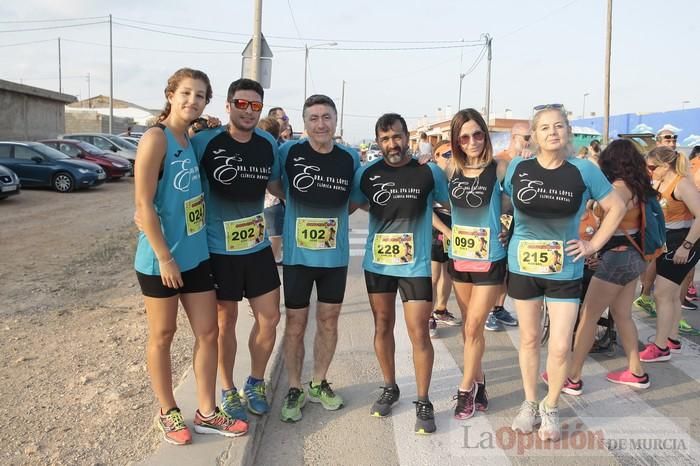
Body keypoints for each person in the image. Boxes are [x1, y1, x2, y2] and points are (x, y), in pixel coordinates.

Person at [134, 68, 246, 445]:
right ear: (170, 95)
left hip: (197, 256)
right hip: (160, 260)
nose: (191, 101)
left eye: (199, 96)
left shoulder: (191, 138)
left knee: (208, 332)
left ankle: (207, 411)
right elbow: (142, 205)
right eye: (185, 93)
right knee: (163, 335)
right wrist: (164, 257)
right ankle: (167, 411)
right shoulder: (156, 139)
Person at [504, 104, 625, 442]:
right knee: (529, 339)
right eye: (545, 128)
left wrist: (593, 245)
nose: (553, 132)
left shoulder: (584, 170)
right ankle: (530, 402)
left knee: (559, 346)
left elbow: (617, 206)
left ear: (567, 132)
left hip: (565, 268)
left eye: (559, 126)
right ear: (535, 135)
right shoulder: (518, 167)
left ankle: (551, 406)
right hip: (523, 266)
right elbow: (500, 203)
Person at [193, 78, 284, 422]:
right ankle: (228, 389)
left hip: (257, 246)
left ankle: (255, 382)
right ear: (228, 105)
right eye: (241, 104)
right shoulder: (204, 141)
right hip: (217, 249)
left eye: (255, 105)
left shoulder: (267, 143)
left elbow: (276, 184)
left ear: (261, 108)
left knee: (270, 317)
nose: (248, 111)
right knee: (223, 321)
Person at [352, 113, 449, 435]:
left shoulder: (428, 172)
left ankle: (423, 400)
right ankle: (390, 386)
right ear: (378, 142)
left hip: (416, 264)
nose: (391, 144)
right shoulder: (366, 173)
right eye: (385, 139)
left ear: (407, 137)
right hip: (378, 264)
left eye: (396, 137)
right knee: (382, 325)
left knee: (419, 331)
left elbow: (454, 203)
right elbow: (352, 204)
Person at [278, 95, 361, 423]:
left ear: (335, 120)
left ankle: (318, 381)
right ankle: (295, 386)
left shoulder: (349, 157)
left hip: (334, 258)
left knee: (329, 321)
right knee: (295, 324)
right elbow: (276, 185)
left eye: (326, 117)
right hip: (298, 257)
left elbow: (353, 201)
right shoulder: (288, 152)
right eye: (313, 118)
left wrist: (331, 215)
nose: (320, 124)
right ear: (304, 122)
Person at [431, 108, 510, 420]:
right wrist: (447, 231)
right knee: (468, 329)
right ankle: (481, 384)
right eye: (464, 136)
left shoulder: (500, 167)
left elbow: (524, 202)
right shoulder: (450, 169)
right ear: (456, 140)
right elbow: (426, 203)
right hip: (460, 259)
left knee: (476, 325)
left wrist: (510, 229)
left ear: (485, 136)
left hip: (490, 260)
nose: (472, 141)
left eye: (478, 134)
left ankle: (465, 390)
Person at [564, 139, 654, 393]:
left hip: (617, 258)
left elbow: (611, 222)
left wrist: (593, 247)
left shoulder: (619, 189)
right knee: (623, 315)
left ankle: (572, 376)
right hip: (633, 257)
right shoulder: (637, 186)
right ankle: (636, 370)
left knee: (588, 315)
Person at [639, 145, 700, 361]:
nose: (650, 170)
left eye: (652, 166)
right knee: (671, 295)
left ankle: (660, 346)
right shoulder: (659, 181)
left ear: (665, 166)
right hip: (666, 241)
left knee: (662, 294)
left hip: (682, 241)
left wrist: (686, 246)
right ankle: (672, 339)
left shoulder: (682, 184)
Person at [489, 123, 533, 330]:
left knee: (509, 270)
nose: (529, 141)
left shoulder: (530, 161)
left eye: (531, 137)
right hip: (500, 220)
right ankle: (489, 310)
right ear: (513, 137)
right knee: (496, 268)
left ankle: (498, 308)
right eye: (526, 137)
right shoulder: (500, 161)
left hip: (520, 221)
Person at [429, 140, 460, 338]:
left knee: (448, 273)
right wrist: (446, 231)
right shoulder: (430, 173)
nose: (450, 158)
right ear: (435, 157)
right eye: (445, 154)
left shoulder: (456, 175)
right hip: (435, 230)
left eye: (452, 153)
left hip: (453, 231)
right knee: (432, 276)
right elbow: (427, 209)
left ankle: (440, 310)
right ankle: (428, 317)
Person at [258, 117, 285, 264]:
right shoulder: (278, 151)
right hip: (273, 201)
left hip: (259, 203)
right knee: (275, 233)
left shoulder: (256, 149)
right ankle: (274, 259)